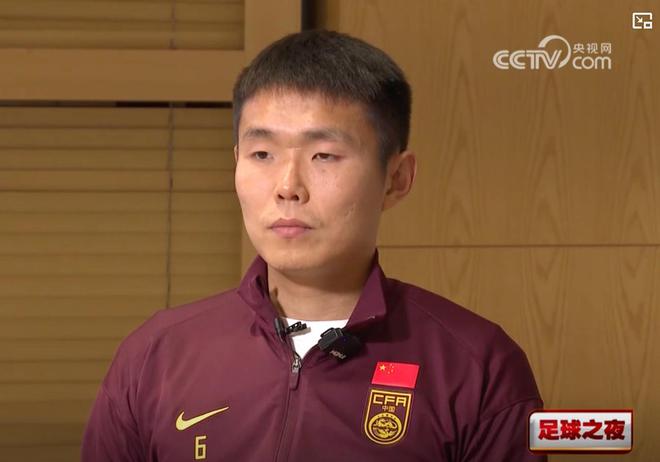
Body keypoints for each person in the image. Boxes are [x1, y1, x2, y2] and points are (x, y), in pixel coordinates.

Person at [82, 29, 546, 462]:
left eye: (323, 155)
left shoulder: (479, 367)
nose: (288, 187)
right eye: (262, 154)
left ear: (396, 178)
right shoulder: (154, 355)